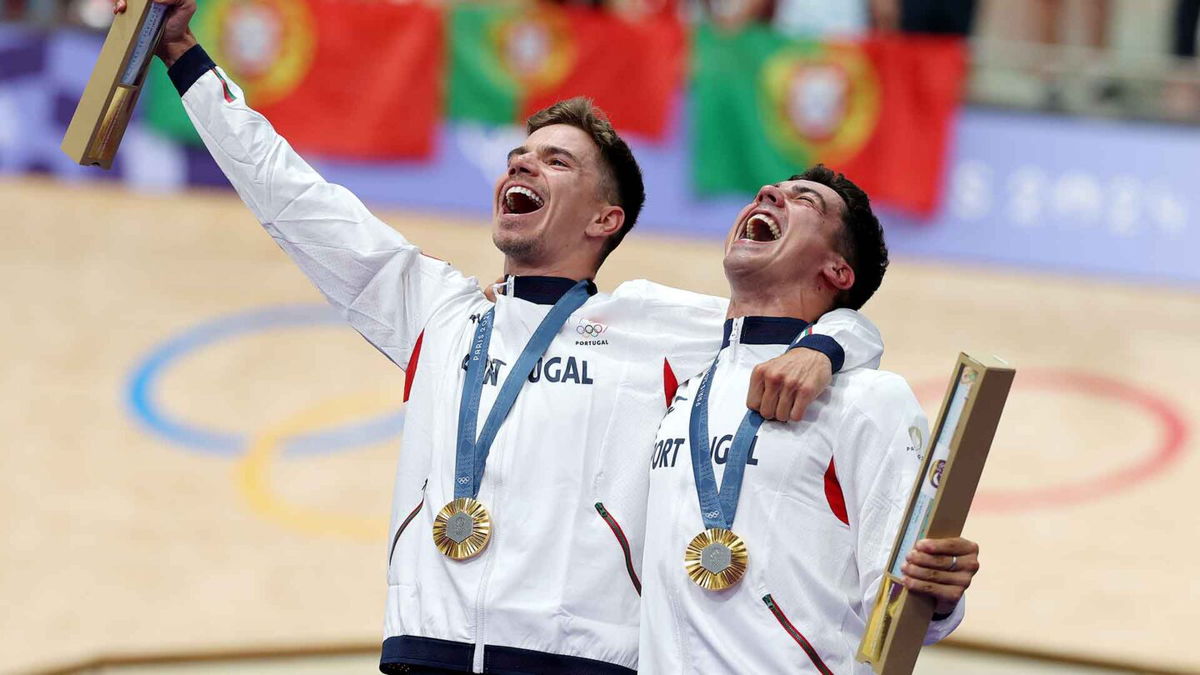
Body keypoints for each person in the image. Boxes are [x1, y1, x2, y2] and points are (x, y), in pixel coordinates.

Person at [118, 0, 887, 672]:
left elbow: (819, 314)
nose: (523, 164)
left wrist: (826, 347)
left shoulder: (654, 325)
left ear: (603, 217)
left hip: (582, 659)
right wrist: (186, 60)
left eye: (557, 160)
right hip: (426, 645)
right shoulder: (437, 311)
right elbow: (292, 196)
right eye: (520, 156)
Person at [638, 166, 979, 673]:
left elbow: (903, 608)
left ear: (839, 272)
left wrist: (940, 593)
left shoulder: (867, 398)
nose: (768, 192)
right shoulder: (684, 376)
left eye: (806, 202)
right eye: (768, 190)